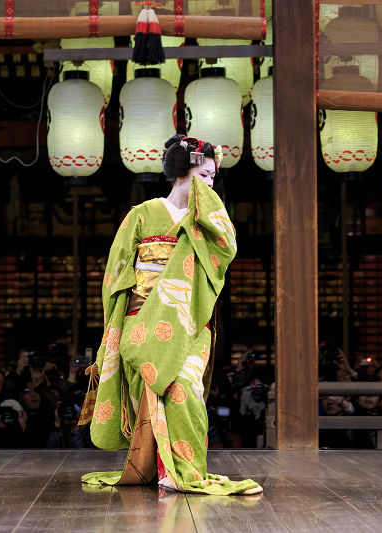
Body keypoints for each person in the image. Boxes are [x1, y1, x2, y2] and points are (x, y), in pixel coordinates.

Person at [82, 135, 261, 495]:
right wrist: (121, 323)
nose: (211, 184)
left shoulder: (208, 221)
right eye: (205, 175)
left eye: (213, 177)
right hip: (141, 320)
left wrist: (208, 219)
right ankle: (157, 469)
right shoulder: (142, 215)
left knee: (184, 390)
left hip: (189, 321)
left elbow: (224, 255)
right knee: (148, 392)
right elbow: (117, 271)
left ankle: (187, 470)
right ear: (184, 171)